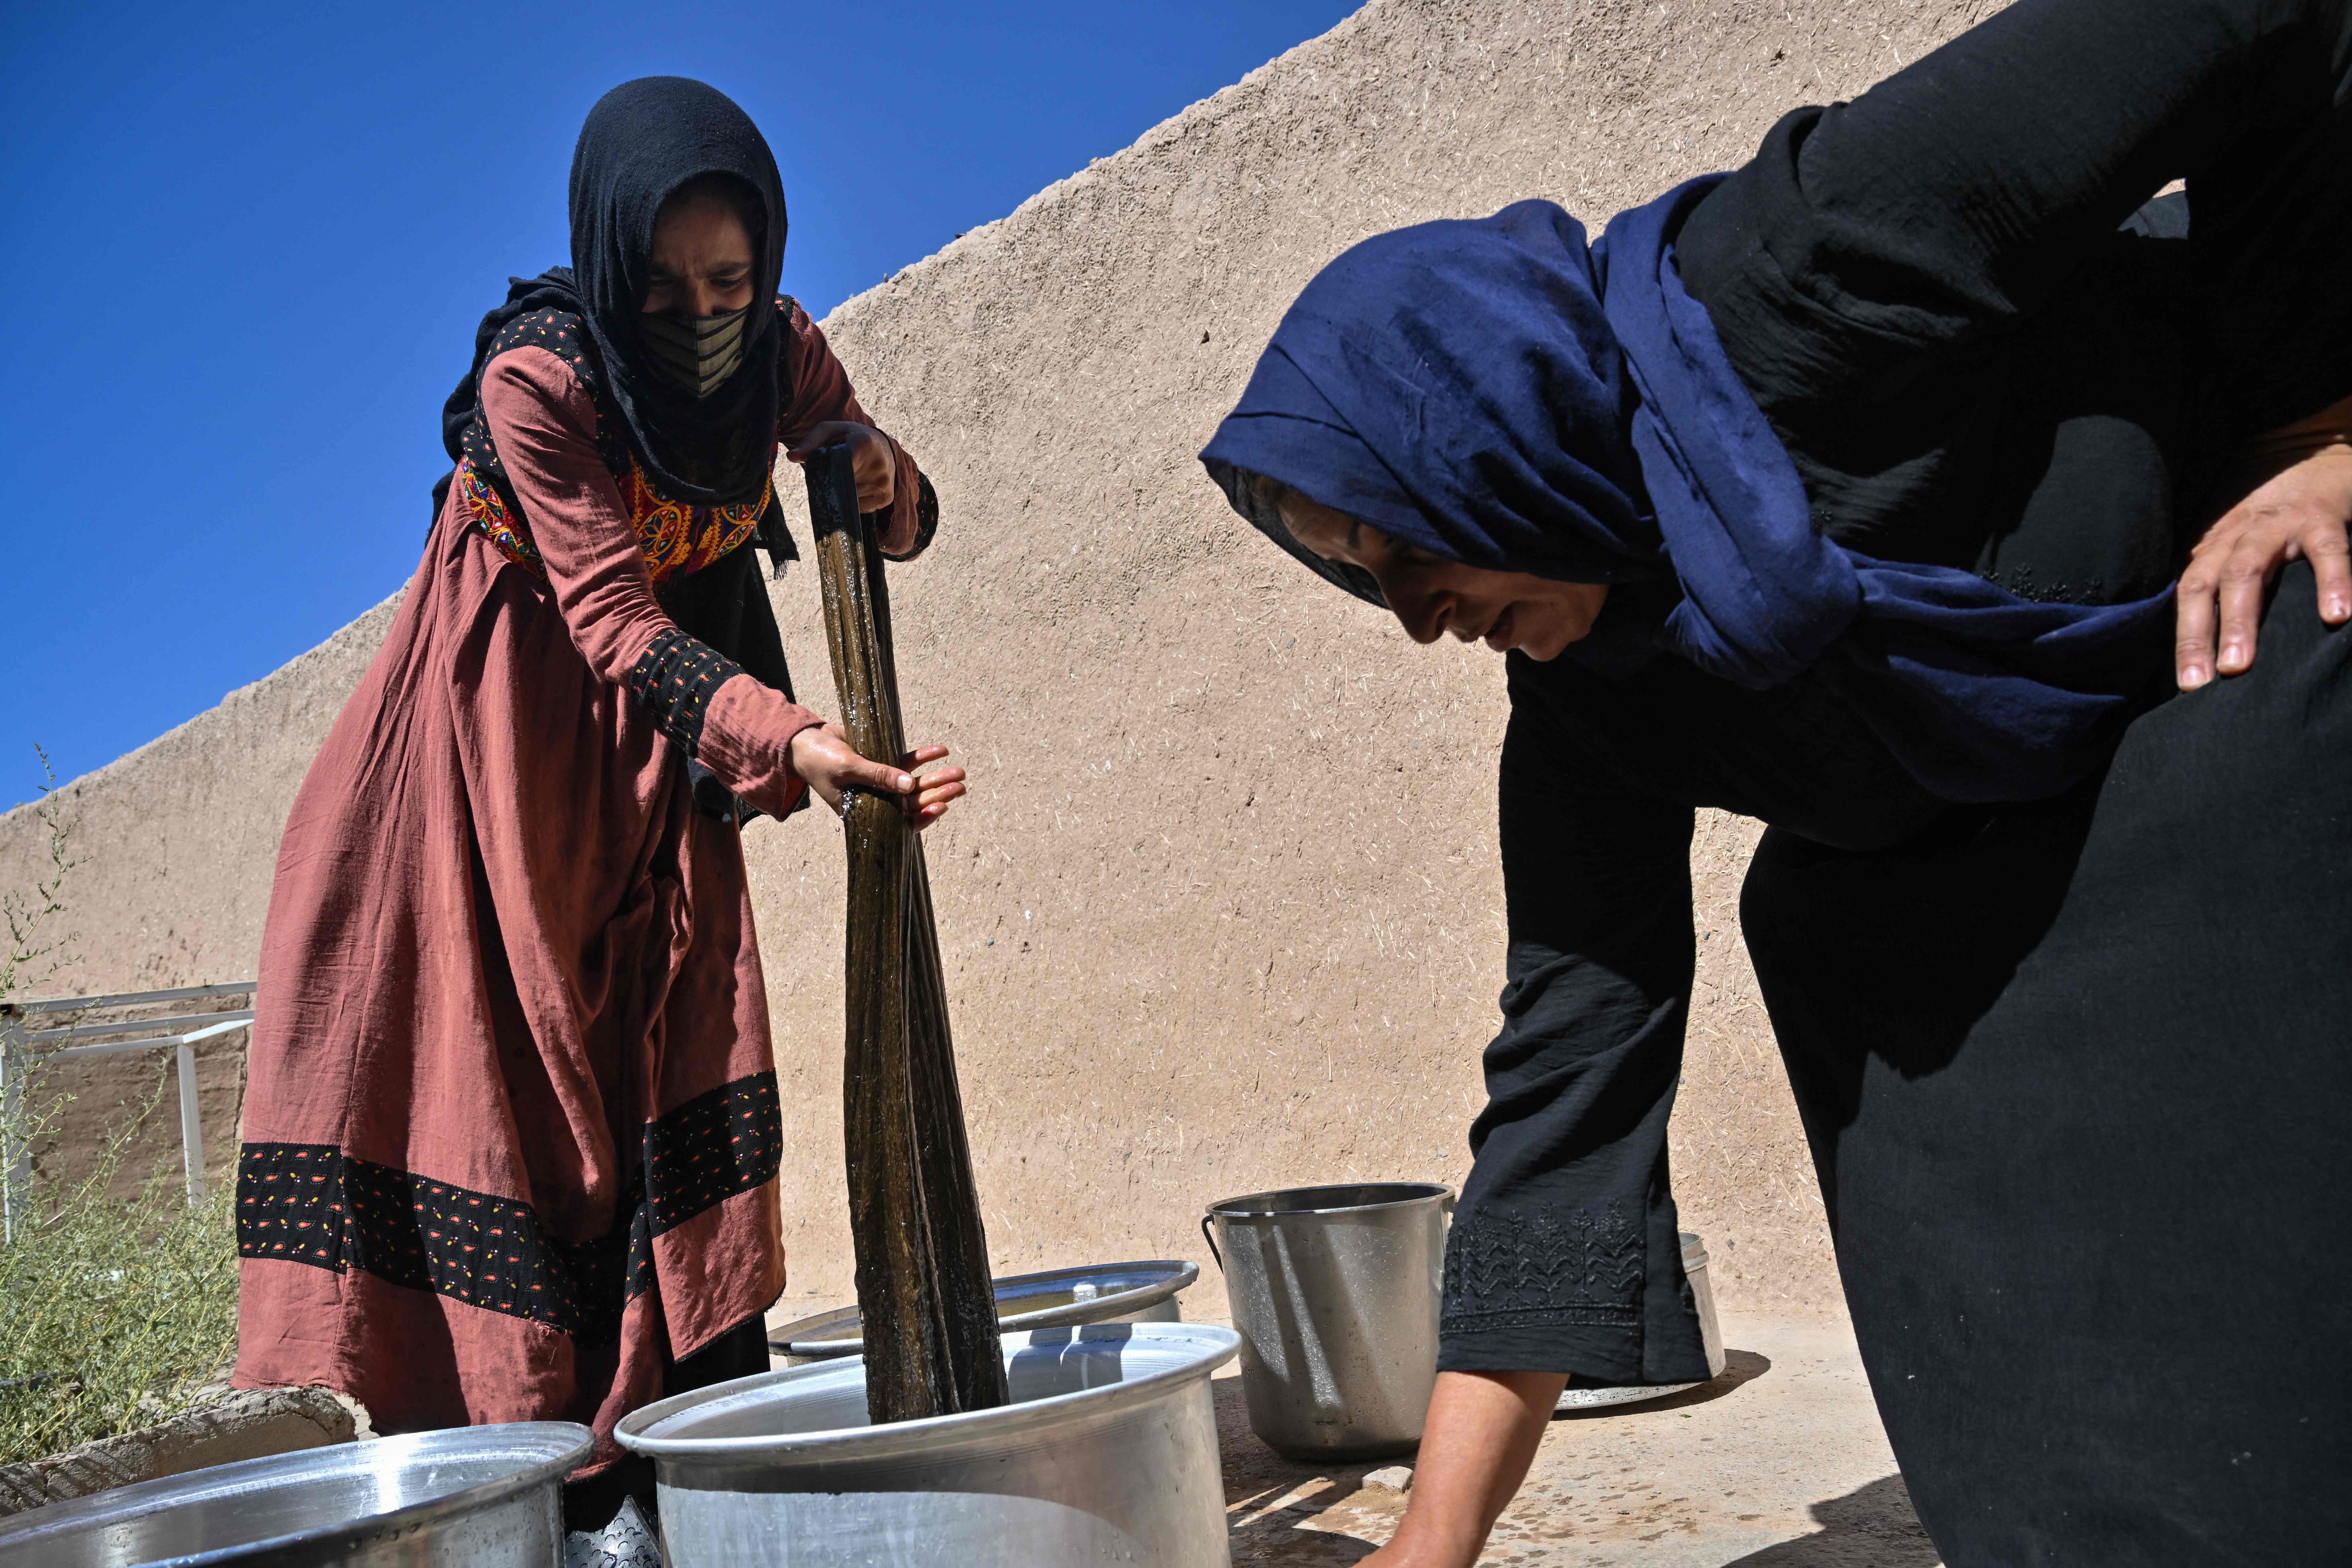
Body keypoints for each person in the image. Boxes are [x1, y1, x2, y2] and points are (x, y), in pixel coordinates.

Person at [1201, 0, 2352, 1561]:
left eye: (1404, 538)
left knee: (2291, 678)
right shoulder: (1588, 692)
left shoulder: (1807, 271)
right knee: (1830, 930)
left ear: (1489, 427)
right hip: (1995, 880)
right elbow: (1567, 1090)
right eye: (1360, 582)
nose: (1415, 618)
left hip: (2221, 672)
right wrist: (1431, 1549)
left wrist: (2317, 429)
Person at [230, 76, 964, 1528]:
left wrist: (880, 469)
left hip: (665, 754)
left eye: (731, 281)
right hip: (488, 758)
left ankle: (675, 1472)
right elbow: (612, 619)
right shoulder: (541, 382)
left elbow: (889, 499)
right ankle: (524, 1505)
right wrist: (791, 736)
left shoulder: (778, 354)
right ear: (608, 264)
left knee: (677, 1046)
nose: (701, 312)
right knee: (504, 1087)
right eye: (665, 285)